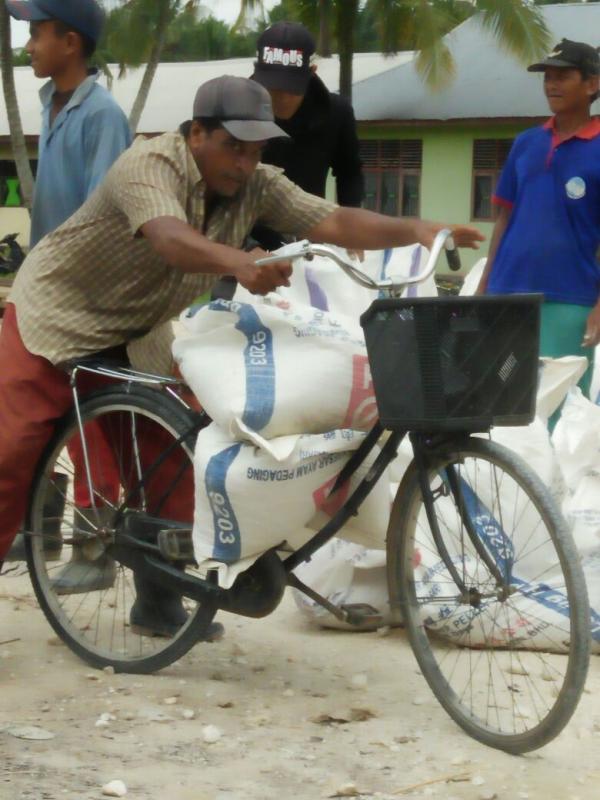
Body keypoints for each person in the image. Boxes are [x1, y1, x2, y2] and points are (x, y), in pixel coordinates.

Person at [0, 75, 484, 638]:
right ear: (197, 133)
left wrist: (418, 230)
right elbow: (167, 236)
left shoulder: (256, 183)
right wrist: (239, 262)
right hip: (58, 314)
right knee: (12, 451)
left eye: (255, 151)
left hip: (137, 328)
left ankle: (161, 598)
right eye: (234, 146)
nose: (244, 163)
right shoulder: (148, 165)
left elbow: (330, 219)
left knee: (174, 454)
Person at [5, 0, 132, 587]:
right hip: (46, 287)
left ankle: (95, 549)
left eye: (37, 33)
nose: (28, 45)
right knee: (49, 420)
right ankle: (39, 528)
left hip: (81, 296)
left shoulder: (101, 115)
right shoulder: (50, 102)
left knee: (87, 421)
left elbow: (104, 217)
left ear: (71, 42)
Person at [477, 39, 600, 415]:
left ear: (592, 84)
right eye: (547, 76)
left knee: (559, 411)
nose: (551, 84)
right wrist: (484, 284)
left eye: (563, 76)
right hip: (507, 295)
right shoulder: (526, 143)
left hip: (571, 300)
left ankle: (551, 478)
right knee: (502, 402)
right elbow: (504, 219)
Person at [250, 21, 363, 250]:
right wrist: (247, 247)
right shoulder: (237, 109)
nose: (279, 98)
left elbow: (349, 172)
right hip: (247, 239)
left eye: (290, 89)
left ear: (310, 73)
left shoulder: (336, 113)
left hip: (308, 240)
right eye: (271, 88)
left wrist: (353, 233)